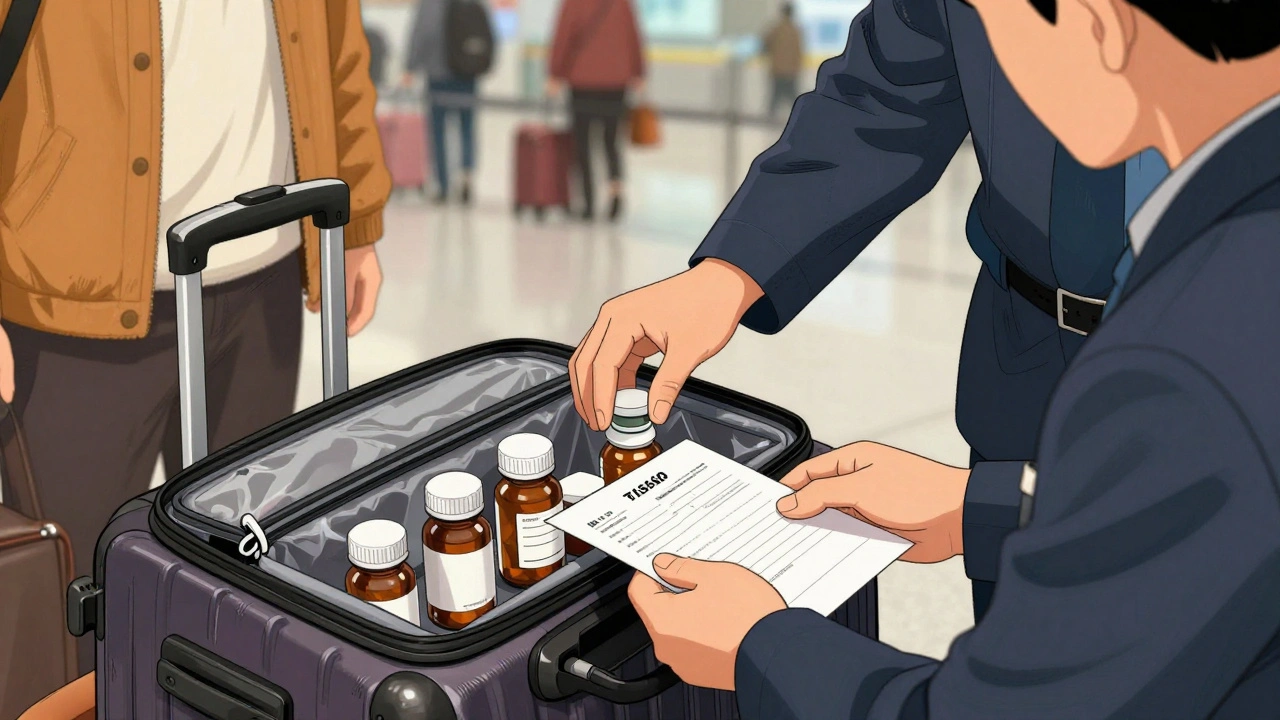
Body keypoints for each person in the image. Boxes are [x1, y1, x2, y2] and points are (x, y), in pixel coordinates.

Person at [628, 0, 1280, 717]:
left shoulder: (1194, 356)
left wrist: (763, 650)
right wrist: (1000, 508)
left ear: (1097, 28)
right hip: (1027, 358)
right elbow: (886, 86)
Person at [568, 0, 1171, 623]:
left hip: (1217, 353)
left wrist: (981, 507)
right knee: (1018, 640)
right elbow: (885, 94)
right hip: (1026, 360)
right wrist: (731, 270)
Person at [0, 0, 389, 675]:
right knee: (75, 606)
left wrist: (355, 223)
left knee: (244, 580)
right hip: (71, 301)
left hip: (261, 274)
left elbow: (337, 47)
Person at [546, 0, 646, 222]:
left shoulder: (573, 3)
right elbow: (633, 37)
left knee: (583, 143)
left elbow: (563, 38)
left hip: (583, 82)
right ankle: (615, 192)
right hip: (616, 82)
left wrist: (555, 73)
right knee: (611, 140)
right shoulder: (622, 4)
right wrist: (638, 71)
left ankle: (588, 203)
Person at [404, 0, 492, 205]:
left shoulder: (430, 4)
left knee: (438, 131)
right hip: (467, 73)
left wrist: (410, 66)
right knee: (467, 127)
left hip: (438, 74)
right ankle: (466, 176)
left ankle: (443, 185)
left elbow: (422, 32)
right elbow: (486, 33)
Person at [762, 3, 804, 120]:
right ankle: (800, 117)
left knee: (775, 96)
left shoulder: (776, 29)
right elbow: (799, 52)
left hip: (777, 70)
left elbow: (765, 45)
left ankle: (770, 119)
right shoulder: (796, 31)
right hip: (791, 71)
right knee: (792, 96)